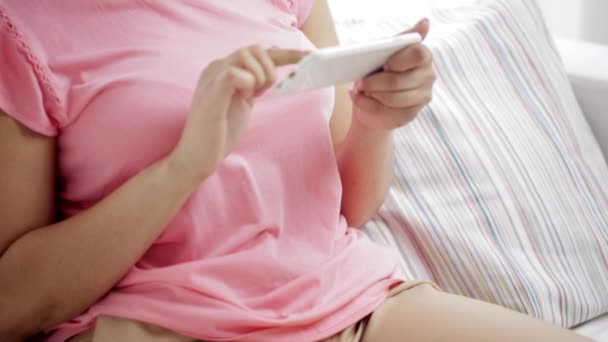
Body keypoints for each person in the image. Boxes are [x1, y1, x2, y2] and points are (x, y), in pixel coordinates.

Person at [0, 0, 590, 341]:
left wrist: (375, 120)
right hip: (159, 325)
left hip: (352, 303)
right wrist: (185, 166)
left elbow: (347, 207)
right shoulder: (23, 29)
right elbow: (14, 304)